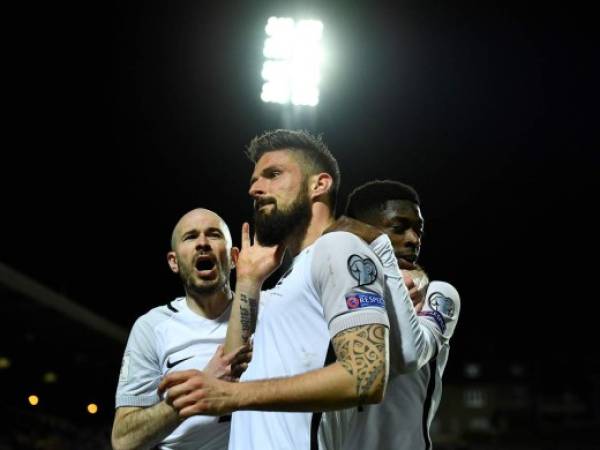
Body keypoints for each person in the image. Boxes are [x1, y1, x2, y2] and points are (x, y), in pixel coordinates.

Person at [158, 129, 391, 450]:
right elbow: (233, 365)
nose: (255, 188)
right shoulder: (289, 277)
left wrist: (230, 396)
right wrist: (249, 281)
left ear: (319, 185)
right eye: (254, 180)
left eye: (273, 174)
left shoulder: (339, 248)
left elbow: (366, 377)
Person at [340, 179, 461, 450]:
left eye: (419, 230)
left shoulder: (437, 296)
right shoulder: (335, 295)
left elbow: (408, 354)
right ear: (362, 232)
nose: (414, 240)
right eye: (399, 228)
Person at [111, 208, 243, 450]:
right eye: (190, 237)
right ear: (174, 262)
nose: (202, 243)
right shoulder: (151, 327)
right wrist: (196, 391)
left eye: (213, 235)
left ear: (234, 257)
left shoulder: (265, 311)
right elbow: (124, 440)